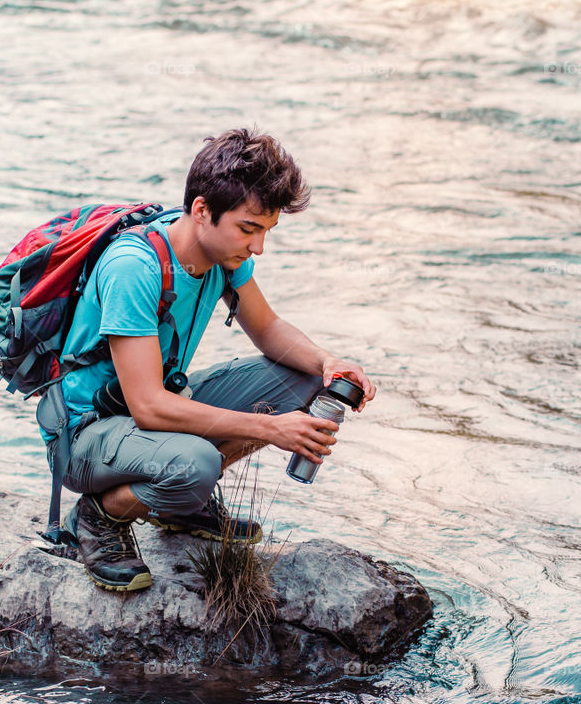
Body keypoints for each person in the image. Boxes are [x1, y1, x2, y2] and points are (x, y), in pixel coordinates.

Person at [39, 127, 376, 592]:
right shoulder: (134, 267)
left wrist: (328, 362)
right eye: (249, 229)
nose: (258, 247)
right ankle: (99, 516)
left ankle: (181, 504)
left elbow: (269, 329)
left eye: (266, 231)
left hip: (146, 420)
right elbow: (149, 407)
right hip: (84, 437)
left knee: (307, 383)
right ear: (201, 211)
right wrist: (271, 430)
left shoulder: (225, 257)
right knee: (195, 463)